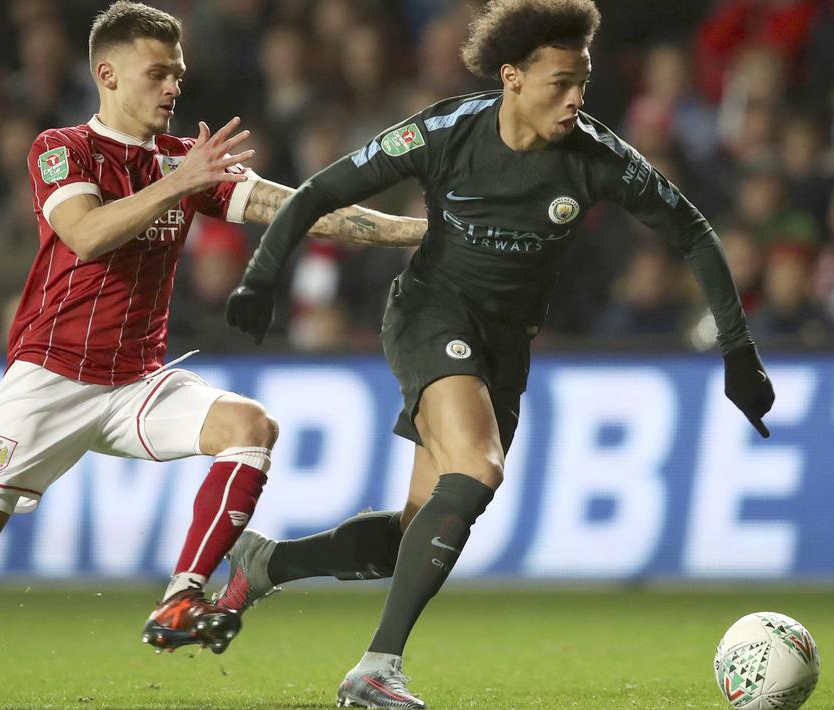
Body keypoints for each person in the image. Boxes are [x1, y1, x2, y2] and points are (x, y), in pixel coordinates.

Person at [0, 2, 424, 704]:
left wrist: (408, 232)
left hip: (135, 382)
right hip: (50, 379)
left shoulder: (183, 159)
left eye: (177, 74)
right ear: (107, 74)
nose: (172, 88)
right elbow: (86, 234)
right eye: (157, 74)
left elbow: (301, 208)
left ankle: (182, 595)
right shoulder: (62, 149)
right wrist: (179, 183)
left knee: (251, 428)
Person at [221, 1, 775, 707]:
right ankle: (375, 669)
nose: (575, 99)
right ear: (511, 78)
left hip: (505, 347)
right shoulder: (445, 131)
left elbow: (693, 233)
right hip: (430, 315)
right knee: (478, 469)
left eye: (583, 81)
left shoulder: (596, 157)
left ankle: (266, 562)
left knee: (415, 530)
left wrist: (737, 352)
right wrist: (260, 277)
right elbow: (318, 193)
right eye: (558, 83)